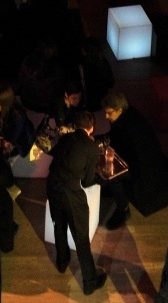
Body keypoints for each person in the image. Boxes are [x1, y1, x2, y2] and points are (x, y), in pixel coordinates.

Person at [46, 108, 106, 295]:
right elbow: (87, 181)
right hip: (70, 194)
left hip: (52, 186)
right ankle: (90, 282)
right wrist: (100, 177)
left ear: (75, 125)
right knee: (81, 239)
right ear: (91, 127)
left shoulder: (65, 139)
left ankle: (62, 262)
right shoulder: (91, 147)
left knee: (59, 225)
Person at [102, 90, 168, 222]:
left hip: (143, 170)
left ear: (119, 110)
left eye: (109, 113)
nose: (106, 116)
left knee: (112, 176)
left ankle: (123, 210)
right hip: (141, 161)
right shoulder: (129, 115)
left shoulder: (129, 128)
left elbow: (133, 156)